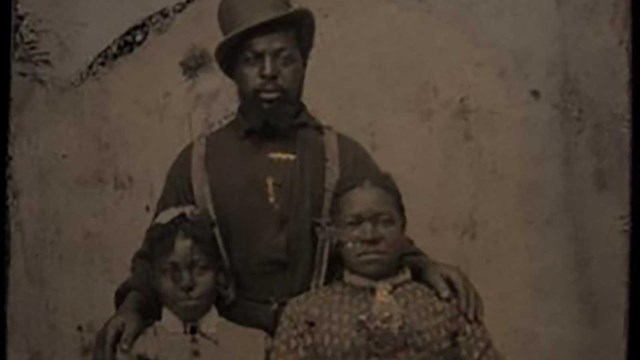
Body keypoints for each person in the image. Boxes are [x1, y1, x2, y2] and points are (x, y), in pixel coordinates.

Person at [94, 0, 483, 359]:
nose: (268, 73)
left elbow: (377, 227)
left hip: (322, 343)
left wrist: (424, 265)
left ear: (304, 64)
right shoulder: (197, 161)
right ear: (233, 72)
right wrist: (133, 307)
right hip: (230, 344)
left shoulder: (340, 154)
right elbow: (158, 253)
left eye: (284, 58)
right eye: (253, 59)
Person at [271, 173, 501, 360]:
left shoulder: (445, 305)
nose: (370, 236)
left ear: (403, 228)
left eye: (384, 222)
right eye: (354, 223)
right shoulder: (306, 313)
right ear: (335, 234)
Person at [118, 206, 265, 360]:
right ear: (154, 280)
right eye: (172, 271)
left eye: (200, 268)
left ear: (220, 275)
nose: (187, 283)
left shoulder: (253, 343)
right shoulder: (139, 349)